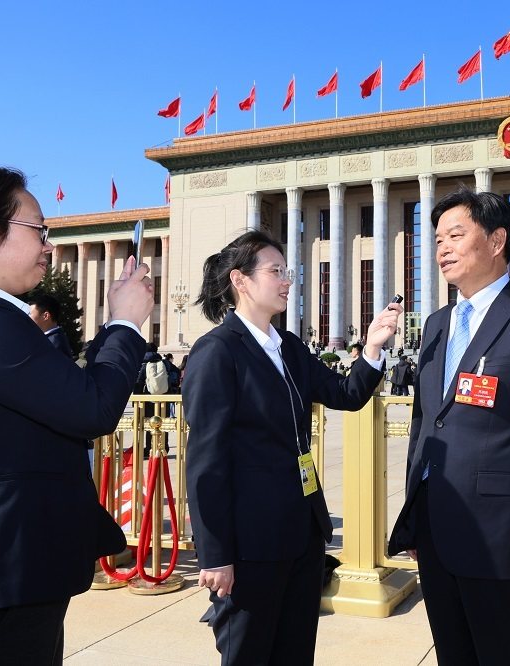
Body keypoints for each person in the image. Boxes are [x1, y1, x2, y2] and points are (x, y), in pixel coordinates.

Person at [0, 164, 153, 663]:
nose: (49, 246)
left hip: (6, 580)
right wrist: (126, 324)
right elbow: (91, 408)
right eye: (39, 230)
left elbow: (64, 395)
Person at [182, 230, 402, 665]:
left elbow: (345, 394)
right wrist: (216, 554)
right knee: (250, 653)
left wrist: (373, 346)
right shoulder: (218, 351)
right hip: (250, 542)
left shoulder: (290, 348)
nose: (287, 281)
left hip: (301, 533)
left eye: (288, 272)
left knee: (295, 652)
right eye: (275, 271)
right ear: (240, 280)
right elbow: (206, 462)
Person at [388, 189, 510, 665]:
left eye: (456, 235)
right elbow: (425, 423)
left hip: (502, 539)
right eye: (437, 240)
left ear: (496, 241)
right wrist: (415, 518)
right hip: (436, 529)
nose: (443, 249)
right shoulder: (436, 325)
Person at [27, 292, 74, 359]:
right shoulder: (52, 339)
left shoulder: (53, 344)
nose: (27, 317)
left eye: (30, 314)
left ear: (45, 316)